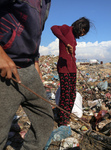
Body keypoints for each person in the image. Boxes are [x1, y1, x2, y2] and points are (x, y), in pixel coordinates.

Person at [0, 0, 54, 150]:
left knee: (45, 119)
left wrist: (35, 62)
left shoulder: (46, 3)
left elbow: (34, 33)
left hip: (29, 68)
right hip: (5, 70)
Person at [51, 17, 90, 126]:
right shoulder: (66, 29)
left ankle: (66, 115)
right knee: (65, 94)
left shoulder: (74, 37)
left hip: (72, 68)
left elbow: (72, 54)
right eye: (83, 31)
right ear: (80, 26)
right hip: (64, 68)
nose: (82, 34)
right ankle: (62, 120)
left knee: (72, 94)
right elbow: (53, 28)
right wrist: (65, 42)